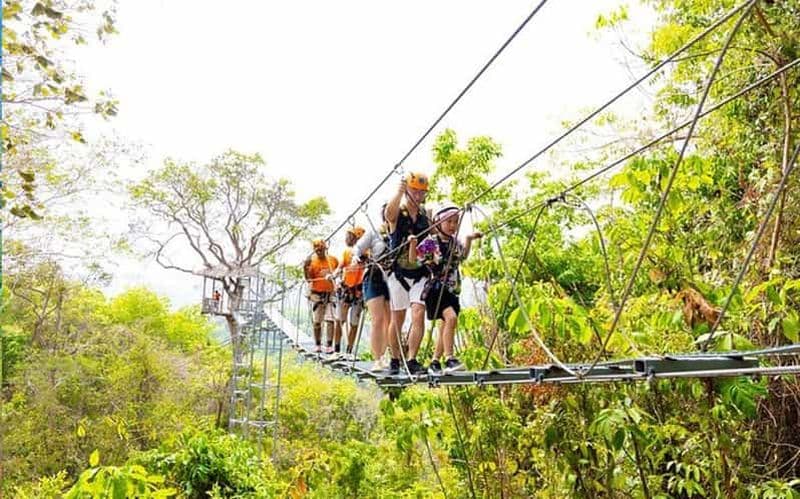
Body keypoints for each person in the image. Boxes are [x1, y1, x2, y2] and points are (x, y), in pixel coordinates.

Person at [421, 206, 481, 374]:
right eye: (449, 221)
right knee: (451, 318)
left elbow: (462, 256)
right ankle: (449, 358)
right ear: (439, 222)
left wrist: (468, 240)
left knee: (445, 326)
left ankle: (434, 362)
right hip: (436, 290)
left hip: (452, 290)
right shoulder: (430, 242)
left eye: (455, 222)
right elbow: (416, 259)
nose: (453, 225)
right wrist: (412, 244)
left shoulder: (455, 242)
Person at [384, 171, 431, 375]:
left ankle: (411, 359)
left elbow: (437, 234)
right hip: (399, 274)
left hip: (420, 273)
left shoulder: (425, 216)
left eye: (422, 192)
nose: (418, 196)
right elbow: (389, 215)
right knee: (398, 319)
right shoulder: (399, 212)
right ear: (408, 190)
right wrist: (399, 192)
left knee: (418, 313)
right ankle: (395, 358)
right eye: (415, 191)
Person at [355, 210, 392, 371]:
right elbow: (357, 248)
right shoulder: (374, 233)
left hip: (393, 279)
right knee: (378, 319)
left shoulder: (401, 233)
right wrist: (358, 258)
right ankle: (377, 358)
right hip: (374, 276)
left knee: (391, 320)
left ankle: (386, 355)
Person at [334, 226, 366, 359]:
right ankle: (336, 350)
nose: (347, 238)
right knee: (340, 319)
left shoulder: (366, 254)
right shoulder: (347, 253)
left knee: (354, 322)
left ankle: (349, 351)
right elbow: (341, 266)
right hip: (346, 288)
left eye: (350, 236)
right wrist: (334, 274)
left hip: (358, 290)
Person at [303, 239, 339, 354]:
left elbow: (339, 272)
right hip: (317, 294)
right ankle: (318, 344)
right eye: (317, 250)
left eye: (321, 249)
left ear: (325, 248)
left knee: (330, 319)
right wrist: (305, 267)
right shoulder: (312, 262)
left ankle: (329, 345)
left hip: (330, 294)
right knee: (317, 321)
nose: (319, 251)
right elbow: (309, 279)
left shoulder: (333, 260)